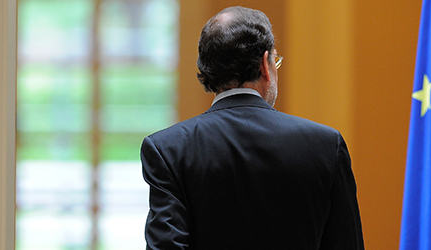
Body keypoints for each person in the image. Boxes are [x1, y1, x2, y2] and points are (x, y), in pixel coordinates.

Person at [141, 6, 364, 250]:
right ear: (265, 66)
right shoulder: (325, 145)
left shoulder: (168, 150)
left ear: (208, 70)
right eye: (276, 61)